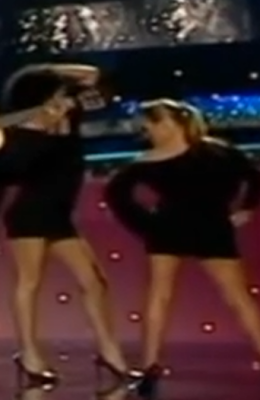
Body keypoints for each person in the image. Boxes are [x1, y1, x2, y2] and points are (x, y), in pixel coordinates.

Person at [104, 99, 260, 388]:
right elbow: (116, 194)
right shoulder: (217, 152)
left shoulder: (157, 159)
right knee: (231, 298)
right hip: (198, 227)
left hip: (186, 228)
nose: (147, 133)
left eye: (149, 127)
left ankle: (150, 366)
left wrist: (146, 225)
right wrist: (146, 226)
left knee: (168, 296)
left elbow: (116, 195)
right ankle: (150, 366)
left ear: (166, 124)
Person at [0, 64, 132, 386]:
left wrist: (53, 70)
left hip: (59, 217)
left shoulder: (72, 117)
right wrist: (44, 128)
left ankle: (109, 350)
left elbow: (103, 84)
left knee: (94, 281)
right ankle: (29, 354)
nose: (63, 99)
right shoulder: (17, 133)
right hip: (30, 215)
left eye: (62, 94)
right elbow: (4, 177)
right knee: (30, 282)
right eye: (55, 95)